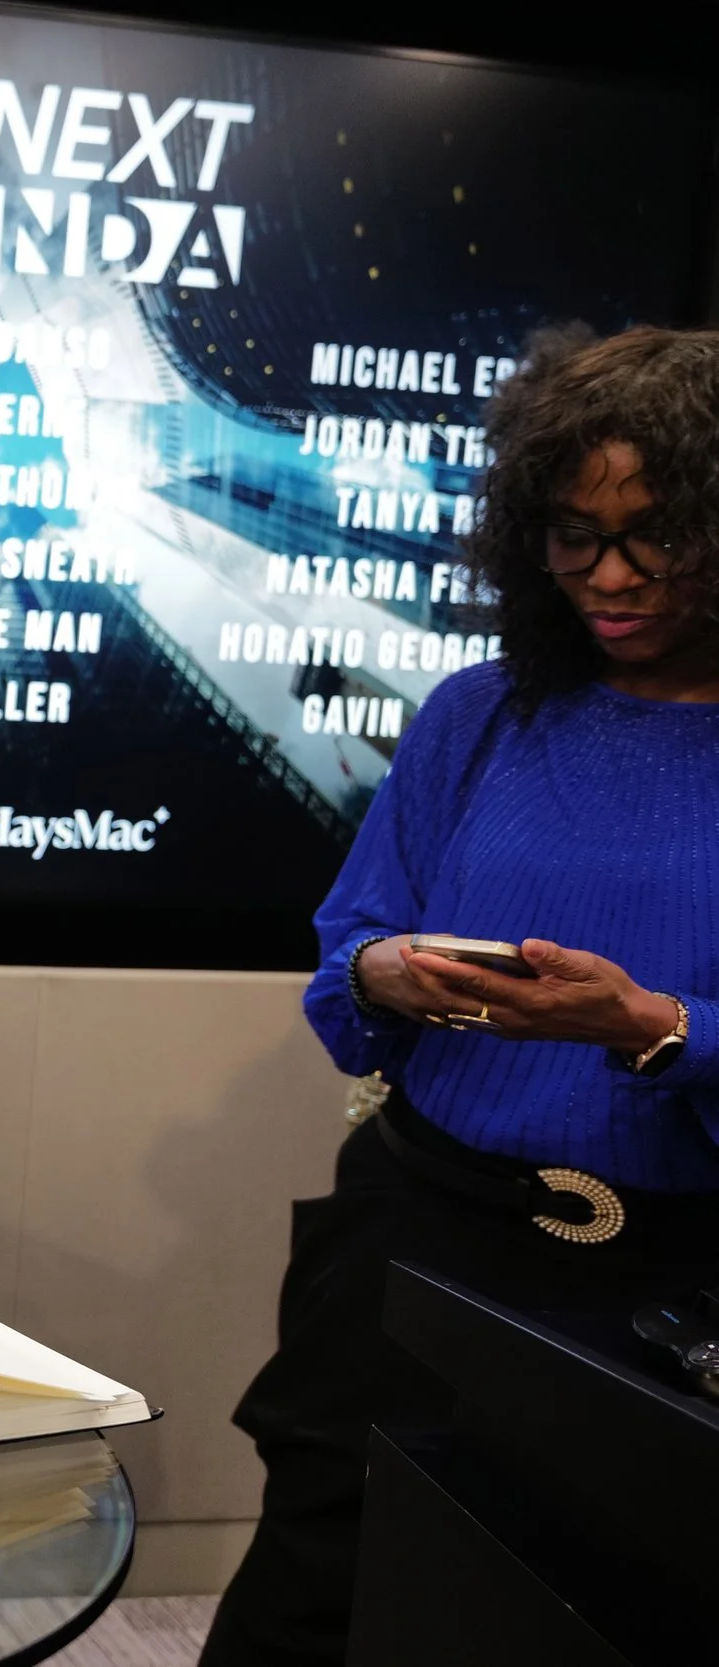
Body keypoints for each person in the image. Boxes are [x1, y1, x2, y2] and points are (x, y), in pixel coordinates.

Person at [201, 325, 719, 1666]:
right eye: (572, 534)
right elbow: (351, 951)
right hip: (418, 1221)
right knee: (317, 1575)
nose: (609, 575)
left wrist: (657, 1029)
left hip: (671, 1282)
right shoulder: (478, 710)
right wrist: (382, 971)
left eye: (655, 534)